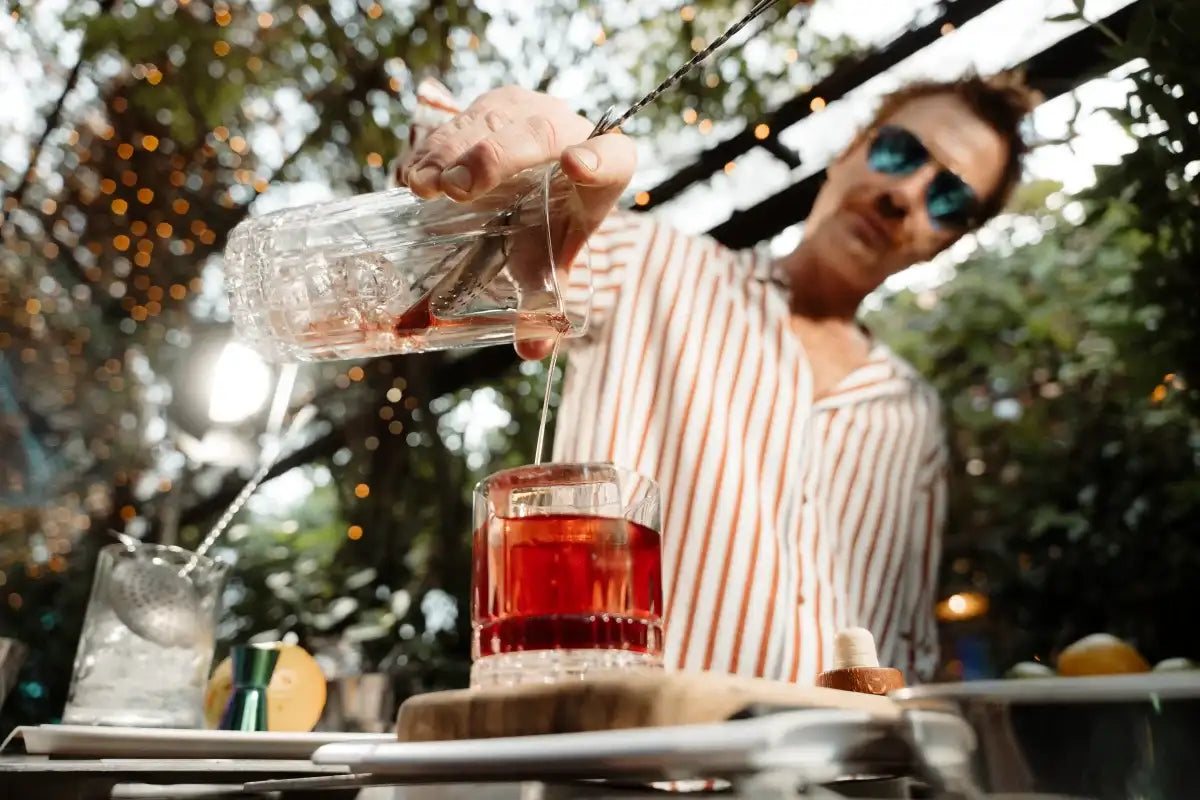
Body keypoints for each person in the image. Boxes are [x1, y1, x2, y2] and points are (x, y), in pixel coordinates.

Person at [395, 71, 1040, 684]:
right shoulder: (648, 265)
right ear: (850, 150)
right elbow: (487, 246)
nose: (906, 196)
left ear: (947, 242)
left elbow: (903, 639)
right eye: (901, 153)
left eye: (948, 197)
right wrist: (502, 163)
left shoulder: (913, 413)